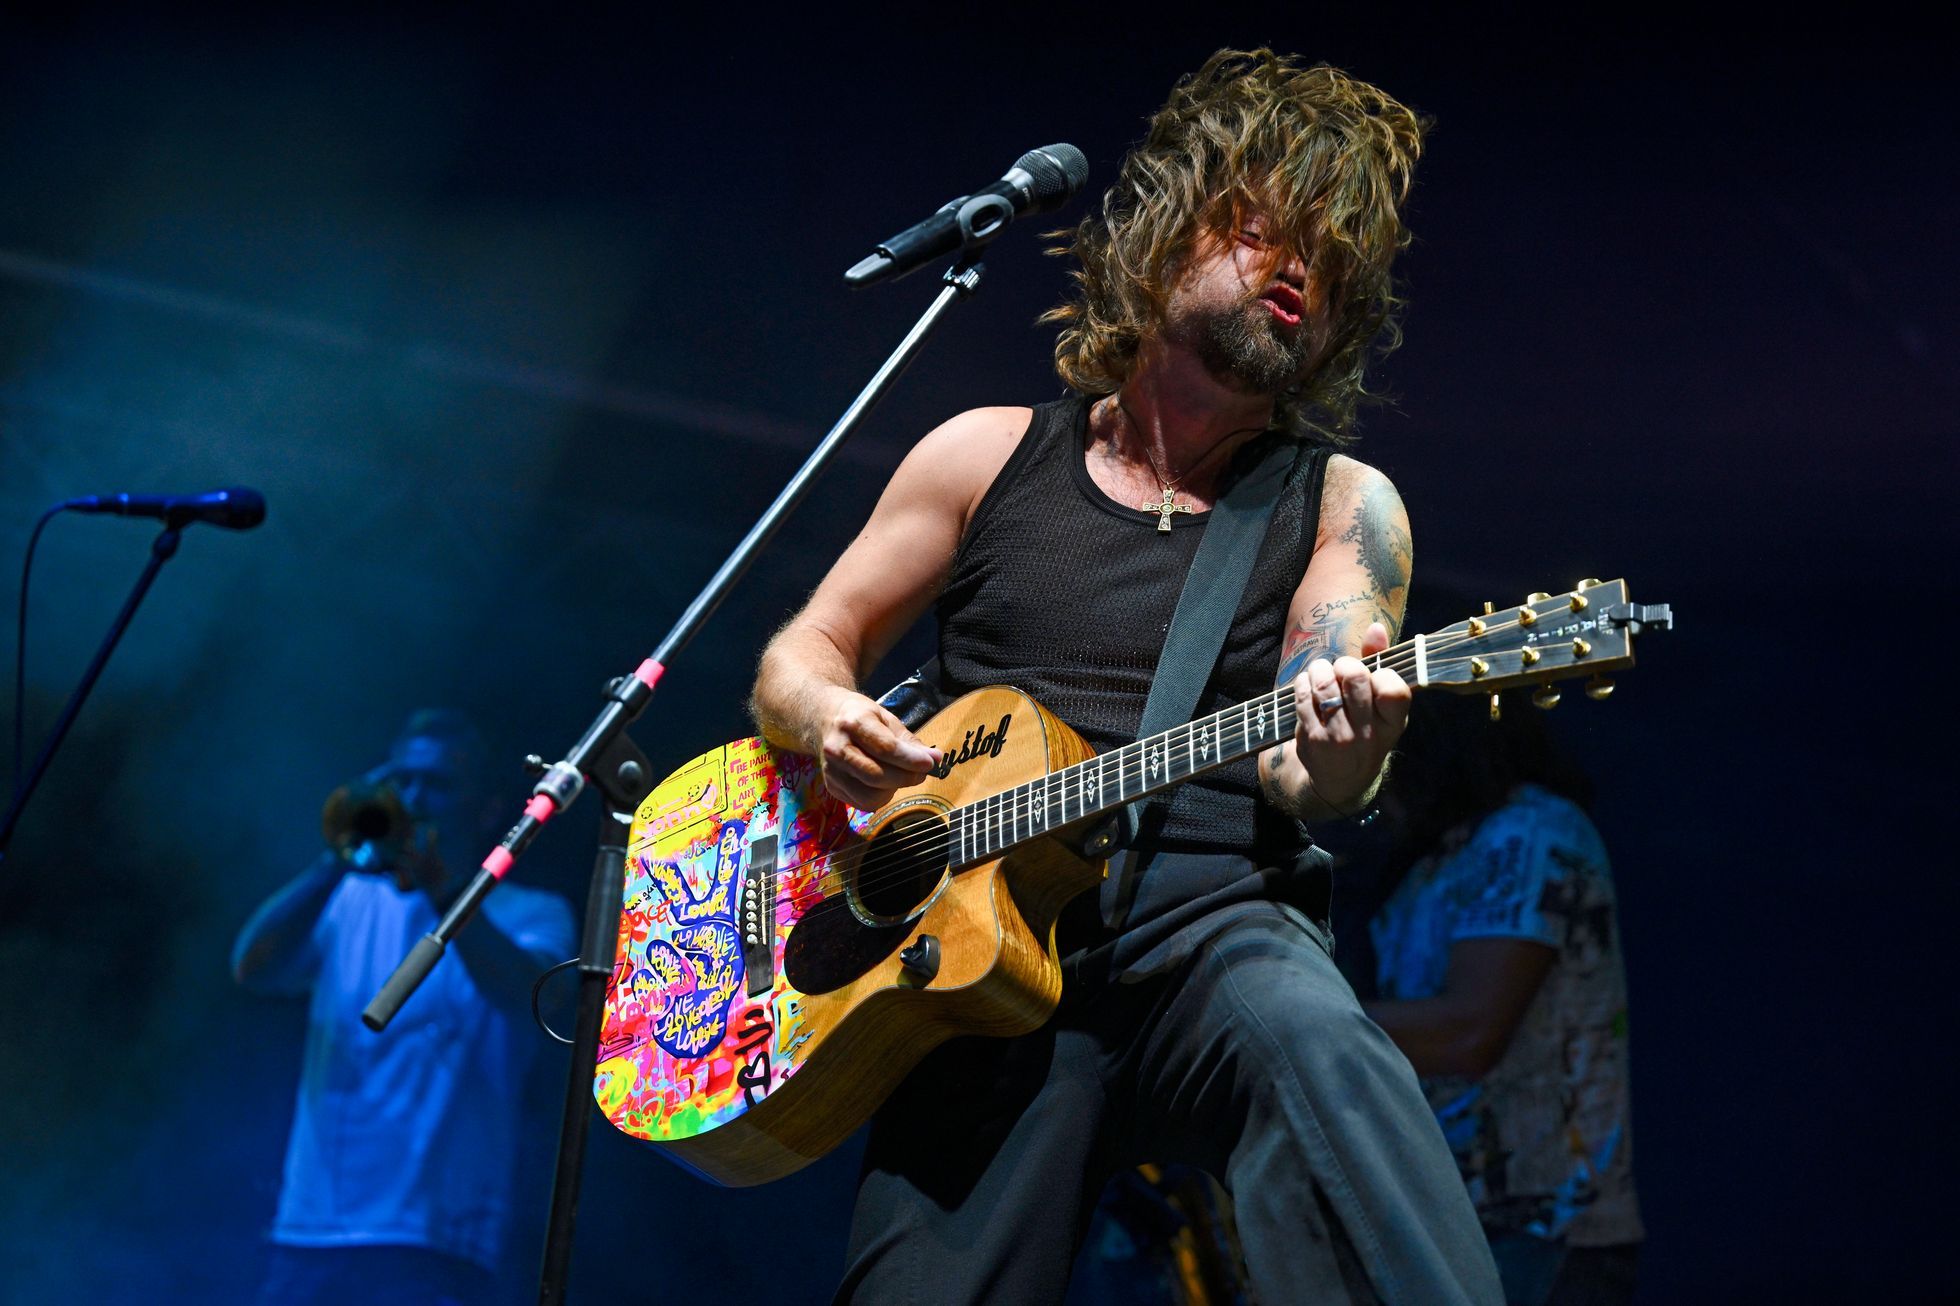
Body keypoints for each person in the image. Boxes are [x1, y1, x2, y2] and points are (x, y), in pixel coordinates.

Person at [750, 49, 1503, 1304]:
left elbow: (1312, 758)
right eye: (1276, 225)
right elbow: (803, 653)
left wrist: (1339, 744)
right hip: (971, 952)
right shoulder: (983, 455)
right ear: (1172, 224)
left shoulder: (1340, 502)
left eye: (1336, 256)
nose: (1302, 270)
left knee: (1324, 1053)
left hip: (1207, 927)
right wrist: (827, 714)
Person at [232, 709, 575, 1306]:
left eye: (437, 785)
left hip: (438, 1247)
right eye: (403, 781)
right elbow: (253, 968)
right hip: (310, 1237)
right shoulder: (346, 899)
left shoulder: (533, 915)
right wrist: (334, 859)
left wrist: (445, 887)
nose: (413, 799)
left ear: (487, 809)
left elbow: (527, 994)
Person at [1359, 690, 1643, 1305]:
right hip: (1455, 1222)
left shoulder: (1531, 830)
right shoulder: (1438, 857)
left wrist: (1304, 1023)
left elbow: (1470, 1034)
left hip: (1546, 1232)